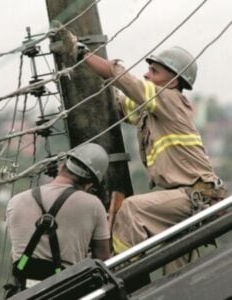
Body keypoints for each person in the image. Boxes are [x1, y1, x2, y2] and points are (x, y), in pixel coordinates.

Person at [52, 26, 227, 274]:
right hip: (180, 199)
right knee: (176, 267)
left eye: (154, 71)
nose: (146, 75)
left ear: (173, 81)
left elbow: (120, 77)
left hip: (191, 196)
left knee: (131, 210)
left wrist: (81, 52)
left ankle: (121, 270)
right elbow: (120, 103)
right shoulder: (153, 111)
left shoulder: (169, 99)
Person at [5, 142, 111, 295]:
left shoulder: (16, 201)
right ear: (89, 184)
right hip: (66, 290)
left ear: (62, 167)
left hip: (25, 292)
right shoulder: (93, 205)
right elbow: (103, 259)